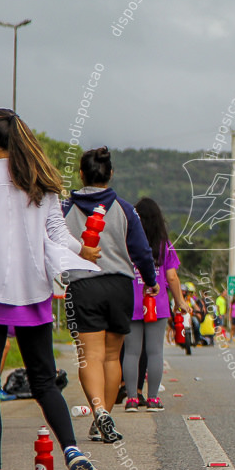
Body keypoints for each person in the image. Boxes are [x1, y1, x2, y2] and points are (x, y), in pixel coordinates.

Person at [0, 109, 106, 470]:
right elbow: (57, 235)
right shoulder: (42, 184)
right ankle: (73, 452)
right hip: (34, 295)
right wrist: (84, 250)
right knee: (45, 381)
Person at [63, 147, 158, 444]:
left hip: (83, 286)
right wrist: (151, 282)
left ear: (81, 175)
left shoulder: (64, 209)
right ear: (111, 174)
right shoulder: (126, 209)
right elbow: (142, 252)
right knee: (111, 356)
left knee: (89, 355)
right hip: (120, 286)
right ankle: (106, 417)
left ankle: (99, 412)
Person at [123, 198, 190, 412]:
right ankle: (152, 399)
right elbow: (171, 276)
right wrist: (180, 302)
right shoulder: (164, 244)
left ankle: (132, 399)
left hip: (131, 302)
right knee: (155, 352)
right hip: (157, 304)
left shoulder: (127, 242)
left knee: (131, 352)